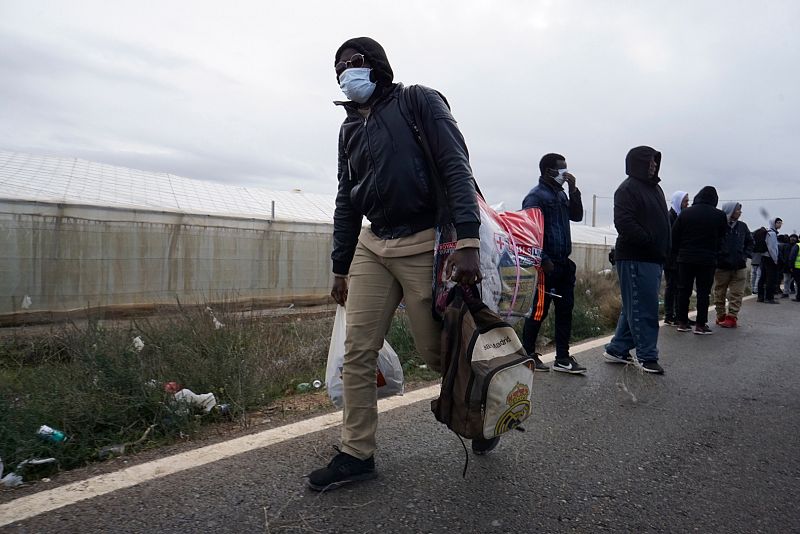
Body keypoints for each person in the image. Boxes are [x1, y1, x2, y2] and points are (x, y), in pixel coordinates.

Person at [307, 37, 486, 492]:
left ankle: (485, 413)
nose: (347, 71)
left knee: (437, 351)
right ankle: (356, 452)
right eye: (339, 67)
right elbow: (347, 200)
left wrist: (467, 237)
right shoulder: (348, 129)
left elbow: (454, 165)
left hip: (426, 239)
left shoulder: (416, 101)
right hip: (373, 244)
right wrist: (340, 265)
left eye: (356, 62)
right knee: (357, 351)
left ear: (379, 65)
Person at [603, 146, 670, 374]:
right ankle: (647, 356)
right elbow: (624, 223)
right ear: (637, 163)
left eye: (655, 161)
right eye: (649, 161)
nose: (653, 165)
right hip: (636, 256)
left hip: (652, 257)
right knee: (644, 307)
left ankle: (617, 348)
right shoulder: (628, 188)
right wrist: (650, 240)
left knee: (636, 305)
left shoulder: (655, 189)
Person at [520, 153, 585, 374]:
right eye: (561, 170)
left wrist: (574, 191)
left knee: (565, 309)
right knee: (539, 312)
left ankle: (563, 358)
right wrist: (544, 260)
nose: (565, 174)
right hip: (544, 266)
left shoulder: (561, 195)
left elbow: (576, 216)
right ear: (548, 171)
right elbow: (527, 234)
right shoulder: (535, 197)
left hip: (564, 264)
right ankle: (527, 354)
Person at [672, 186, 727, 334]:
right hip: (707, 259)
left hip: (685, 258)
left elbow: (674, 236)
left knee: (683, 290)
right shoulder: (719, 215)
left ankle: (682, 322)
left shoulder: (685, 213)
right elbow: (723, 237)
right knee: (704, 292)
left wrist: (679, 253)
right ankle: (701, 325)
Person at [713, 202, 754, 328]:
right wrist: (719, 256)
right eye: (737, 210)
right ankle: (721, 315)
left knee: (737, 293)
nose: (740, 212)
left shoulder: (742, 226)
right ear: (730, 211)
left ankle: (732, 317)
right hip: (722, 266)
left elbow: (750, 242)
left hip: (739, 266)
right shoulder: (719, 225)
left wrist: (745, 255)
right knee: (719, 292)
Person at [663, 191, 689, 325]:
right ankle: (669, 314)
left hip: (679, 257)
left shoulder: (680, 215)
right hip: (671, 258)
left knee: (680, 287)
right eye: (685, 201)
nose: (687, 204)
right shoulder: (670, 216)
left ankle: (679, 314)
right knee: (672, 286)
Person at [757, 218, 782, 303]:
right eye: (778, 223)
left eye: (780, 223)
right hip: (770, 258)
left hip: (764, 257)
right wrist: (775, 259)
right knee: (771, 278)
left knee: (763, 277)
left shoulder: (768, 232)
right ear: (773, 223)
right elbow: (772, 248)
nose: (780, 224)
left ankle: (760, 297)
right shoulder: (772, 234)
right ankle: (769, 297)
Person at [778, 234, 797, 298]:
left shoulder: (797, 246)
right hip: (786, 266)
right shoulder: (786, 246)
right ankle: (786, 292)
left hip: (795, 266)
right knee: (786, 280)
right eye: (791, 237)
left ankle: (797, 294)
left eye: (794, 238)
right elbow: (782, 255)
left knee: (796, 281)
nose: (792, 239)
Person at [789, 235, 800, 302]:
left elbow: (792, 257)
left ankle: (798, 297)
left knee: (798, 284)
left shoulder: (797, 246)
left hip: (797, 267)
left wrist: (791, 266)